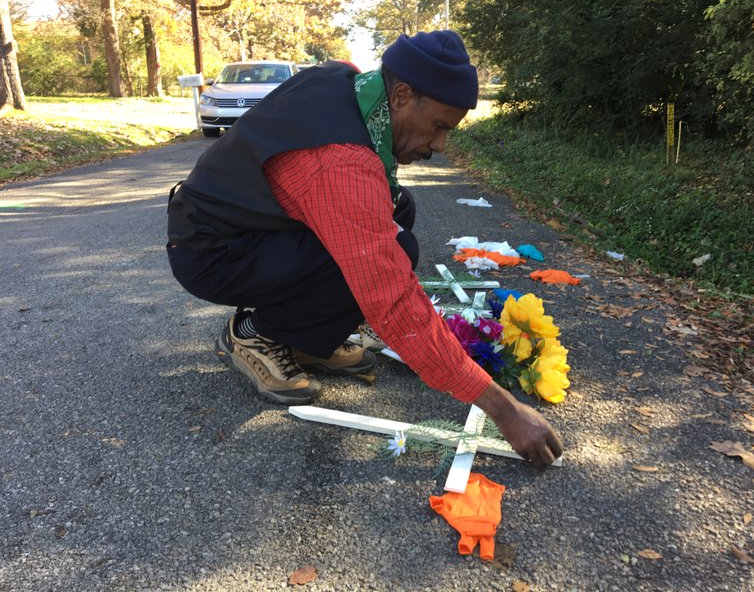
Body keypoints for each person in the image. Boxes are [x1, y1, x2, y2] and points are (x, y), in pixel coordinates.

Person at [167, 30, 563, 466]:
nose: (439, 147)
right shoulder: (341, 161)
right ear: (402, 95)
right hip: (213, 251)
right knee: (384, 255)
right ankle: (257, 334)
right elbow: (391, 300)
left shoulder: (350, 82)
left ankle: (307, 338)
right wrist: (505, 411)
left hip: (248, 227)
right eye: (438, 127)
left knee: (398, 210)